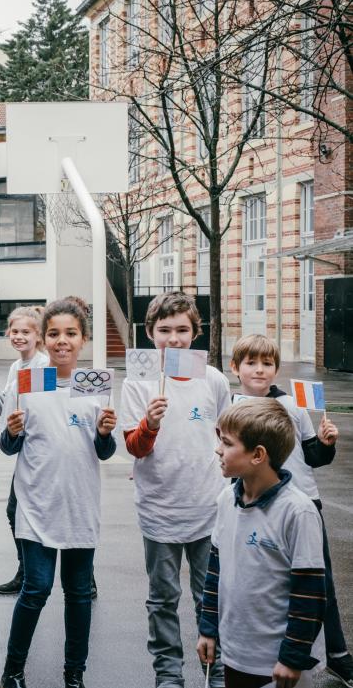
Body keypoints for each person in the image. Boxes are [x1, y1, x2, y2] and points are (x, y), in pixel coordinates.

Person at [0, 297, 117, 688]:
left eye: (70, 333)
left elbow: (104, 451)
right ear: (43, 339)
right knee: (36, 588)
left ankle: (74, 674)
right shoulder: (27, 381)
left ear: (83, 339)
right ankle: (12, 671)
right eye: (53, 334)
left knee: (79, 593)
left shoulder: (96, 385)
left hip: (80, 503)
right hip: (37, 502)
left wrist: (104, 434)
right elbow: (8, 445)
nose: (61, 341)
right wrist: (12, 431)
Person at [119, 291, 229, 688]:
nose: (174, 338)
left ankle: (216, 671)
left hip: (207, 507)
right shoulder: (138, 382)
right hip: (159, 508)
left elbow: (225, 437)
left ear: (195, 332)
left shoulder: (213, 379)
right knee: (163, 599)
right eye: (164, 330)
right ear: (150, 333)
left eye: (183, 330)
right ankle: (168, 673)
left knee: (211, 597)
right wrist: (149, 423)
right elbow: (134, 448)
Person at [228, 334, 351, 685]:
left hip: (302, 504)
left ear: (276, 369)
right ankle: (259, 654)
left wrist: (326, 444)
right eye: (251, 362)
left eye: (267, 363)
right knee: (260, 583)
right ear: (236, 368)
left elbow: (313, 455)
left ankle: (338, 655)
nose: (259, 370)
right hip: (254, 506)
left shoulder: (294, 405)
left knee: (318, 581)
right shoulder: (231, 406)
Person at [197, 398, 326, 688]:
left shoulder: (297, 511)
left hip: (279, 664)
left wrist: (292, 657)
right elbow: (215, 572)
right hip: (235, 653)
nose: (218, 449)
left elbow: (310, 592)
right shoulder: (226, 500)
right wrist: (208, 629)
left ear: (258, 455)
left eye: (227, 443)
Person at [0, 306, 49, 596]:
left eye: (25, 332)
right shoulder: (17, 368)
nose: (18, 336)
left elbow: (40, 410)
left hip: (43, 452)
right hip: (24, 451)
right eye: (14, 331)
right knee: (14, 510)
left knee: (46, 513)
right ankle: (25, 571)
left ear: (38, 335)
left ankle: (83, 576)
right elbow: (6, 411)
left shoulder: (44, 366)